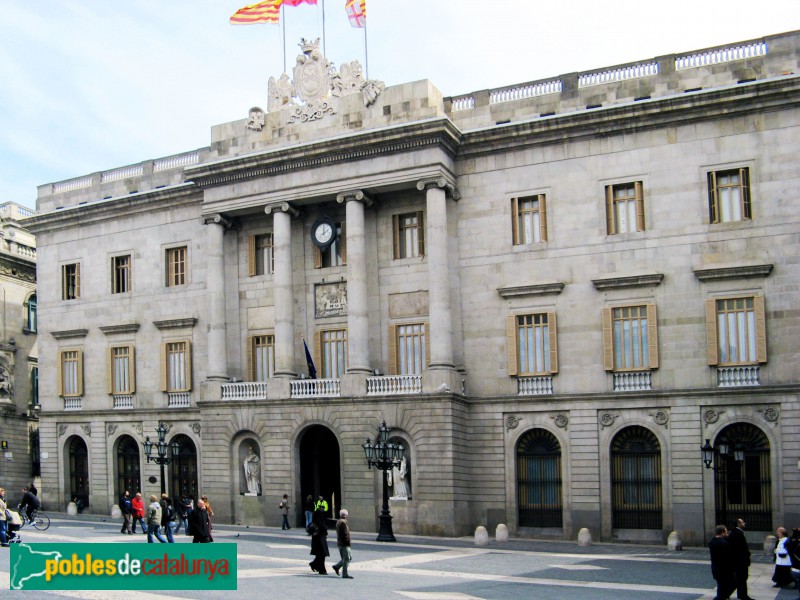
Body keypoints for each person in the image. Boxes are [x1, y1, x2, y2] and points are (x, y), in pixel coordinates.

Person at [727, 518, 754, 600]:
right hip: (740, 561)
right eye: (742, 522)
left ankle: (741, 595)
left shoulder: (736, 533)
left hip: (739, 560)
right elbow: (740, 548)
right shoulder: (737, 533)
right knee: (741, 578)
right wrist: (747, 554)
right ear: (738, 524)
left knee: (741, 579)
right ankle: (742, 595)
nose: (744, 523)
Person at [709, 524, 736, 600]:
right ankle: (721, 597)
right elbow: (728, 557)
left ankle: (722, 597)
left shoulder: (712, 542)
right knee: (731, 583)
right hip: (724, 569)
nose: (727, 533)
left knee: (720, 586)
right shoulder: (723, 543)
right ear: (722, 532)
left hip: (716, 567)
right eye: (726, 531)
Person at [332, 509, 354, 579]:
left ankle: (337, 566)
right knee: (347, 558)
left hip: (341, 543)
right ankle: (345, 574)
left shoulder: (339, 521)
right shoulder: (343, 523)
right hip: (344, 544)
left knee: (348, 558)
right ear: (345, 515)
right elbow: (345, 534)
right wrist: (348, 542)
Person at [308, 507, 329, 575]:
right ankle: (321, 569)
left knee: (320, 554)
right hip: (320, 539)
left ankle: (315, 565)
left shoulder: (316, 520)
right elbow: (323, 528)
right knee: (321, 554)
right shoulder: (319, 521)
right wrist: (325, 529)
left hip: (318, 539)